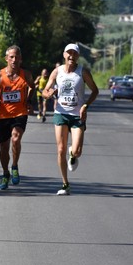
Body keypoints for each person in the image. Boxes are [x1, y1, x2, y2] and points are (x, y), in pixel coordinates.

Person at [42, 44, 99, 195]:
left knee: (77, 151)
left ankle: (72, 154)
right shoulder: (57, 71)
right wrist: (48, 94)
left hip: (77, 116)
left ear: (78, 56)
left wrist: (86, 105)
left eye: (74, 54)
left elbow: (95, 90)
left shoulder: (83, 72)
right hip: (60, 113)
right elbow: (45, 91)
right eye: (69, 53)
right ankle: (65, 184)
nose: (71, 56)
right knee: (60, 150)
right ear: (64, 54)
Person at [0, 45, 35, 190]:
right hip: (4, 115)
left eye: (17, 57)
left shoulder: (26, 74)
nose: (14, 60)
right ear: (6, 59)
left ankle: (14, 166)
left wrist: (28, 101)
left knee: (16, 138)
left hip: (20, 113)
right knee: (4, 148)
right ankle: (5, 173)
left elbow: (32, 87)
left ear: (21, 59)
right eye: (11, 57)